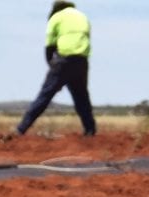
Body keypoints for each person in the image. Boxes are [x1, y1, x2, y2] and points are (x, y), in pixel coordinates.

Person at [14, 2, 96, 136]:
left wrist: (52, 66)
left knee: (45, 95)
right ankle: (90, 130)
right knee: (82, 98)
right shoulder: (82, 17)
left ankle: (21, 129)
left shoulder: (56, 17)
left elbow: (49, 46)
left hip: (63, 60)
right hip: (82, 61)